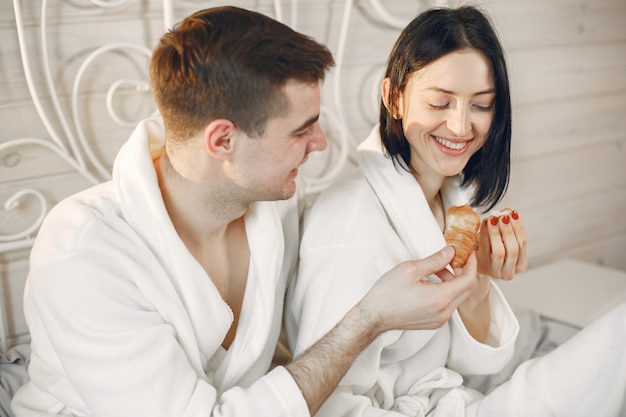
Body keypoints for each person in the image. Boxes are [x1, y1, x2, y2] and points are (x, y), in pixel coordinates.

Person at [11, 6, 483, 417]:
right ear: (222, 140)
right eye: (301, 131)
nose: (320, 143)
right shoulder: (83, 253)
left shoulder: (273, 208)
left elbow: (352, 245)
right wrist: (368, 320)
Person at [286, 5, 626, 417]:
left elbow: (471, 366)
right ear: (394, 98)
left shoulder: (450, 204)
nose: (462, 127)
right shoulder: (349, 224)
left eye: (481, 105)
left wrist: (476, 284)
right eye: (440, 103)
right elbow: (328, 406)